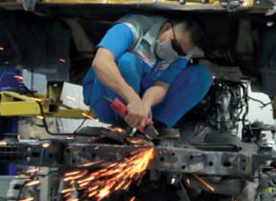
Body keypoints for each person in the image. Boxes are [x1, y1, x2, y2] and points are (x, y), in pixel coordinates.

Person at [82, 14, 212, 131]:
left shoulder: (182, 53)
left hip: (141, 103)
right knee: (127, 61)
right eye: (175, 46)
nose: (175, 53)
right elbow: (101, 63)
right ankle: (122, 125)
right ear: (166, 28)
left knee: (201, 76)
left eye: (181, 52)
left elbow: (162, 86)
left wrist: (145, 104)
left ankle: (154, 129)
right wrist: (133, 99)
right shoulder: (130, 27)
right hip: (106, 99)